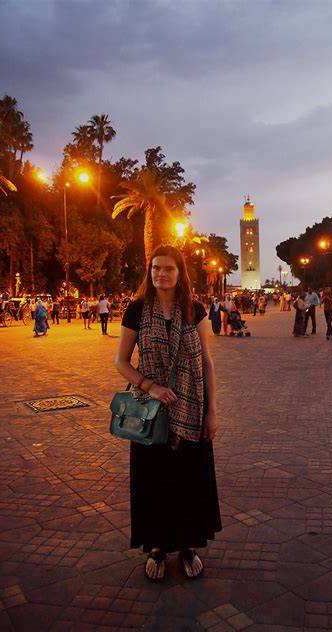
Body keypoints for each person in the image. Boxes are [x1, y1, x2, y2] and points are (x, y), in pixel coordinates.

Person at [115, 245, 221, 582]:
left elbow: (206, 362)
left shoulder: (196, 310)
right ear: (149, 271)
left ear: (180, 273)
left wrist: (212, 411)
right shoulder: (136, 311)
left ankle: (188, 546)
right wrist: (152, 388)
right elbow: (121, 362)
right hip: (151, 417)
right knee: (154, 482)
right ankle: (157, 548)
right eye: (156, 268)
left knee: (189, 481)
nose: (161, 273)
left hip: (192, 409)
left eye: (168, 268)